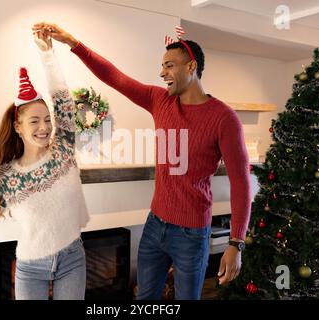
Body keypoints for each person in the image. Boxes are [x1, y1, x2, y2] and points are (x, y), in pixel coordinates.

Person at [32, 22, 251, 300]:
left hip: (192, 234)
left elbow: (241, 183)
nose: (162, 73)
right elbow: (114, 77)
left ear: (191, 67)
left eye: (169, 65)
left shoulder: (224, 118)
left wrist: (236, 243)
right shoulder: (160, 100)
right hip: (154, 225)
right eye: (162, 66)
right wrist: (73, 43)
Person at [0, 31, 89, 300]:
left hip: (73, 259)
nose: (44, 127)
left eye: (47, 119)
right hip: (31, 268)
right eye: (34, 121)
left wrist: (48, 54)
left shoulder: (63, 150)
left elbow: (64, 104)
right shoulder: (9, 178)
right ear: (18, 127)